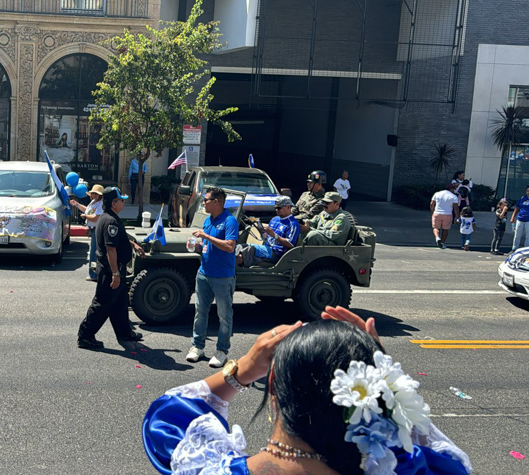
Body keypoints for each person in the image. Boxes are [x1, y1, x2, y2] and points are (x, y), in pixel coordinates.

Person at [142, 306, 473, 475]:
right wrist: (384, 377)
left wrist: (241, 370)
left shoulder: (206, 468)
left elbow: (167, 418)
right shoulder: (410, 469)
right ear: (375, 404)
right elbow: (449, 462)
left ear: (273, 385)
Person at [77, 187, 145, 349]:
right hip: (109, 270)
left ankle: (124, 332)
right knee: (102, 303)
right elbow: (110, 249)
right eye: (121, 200)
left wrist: (132, 244)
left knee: (120, 301)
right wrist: (115, 273)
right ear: (114, 203)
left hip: (114, 268)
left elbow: (116, 241)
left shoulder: (108, 217)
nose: (124, 202)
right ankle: (85, 336)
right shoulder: (111, 221)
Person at [186, 187, 239, 368]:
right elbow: (207, 244)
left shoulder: (230, 221)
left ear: (216, 202)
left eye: (206, 200)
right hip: (204, 273)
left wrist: (206, 236)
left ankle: (221, 350)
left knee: (224, 315)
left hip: (223, 276)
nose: (203, 203)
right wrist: (197, 245)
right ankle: (197, 346)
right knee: (200, 312)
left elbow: (229, 246)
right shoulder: (209, 220)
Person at [235, 196, 300, 267]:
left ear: (288, 207)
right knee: (240, 246)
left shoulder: (293, 224)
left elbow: (290, 244)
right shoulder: (275, 219)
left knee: (249, 250)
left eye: (279, 208)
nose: (276, 210)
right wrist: (262, 231)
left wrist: (274, 235)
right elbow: (267, 236)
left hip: (276, 253)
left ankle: (230, 270)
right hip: (266, 247)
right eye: (275, 208)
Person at [70, 184, 104, 281]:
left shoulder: (100, 204)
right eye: (93, 193)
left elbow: (95, 217)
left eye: (96, 194)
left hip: (96, 229)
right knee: (93, 252)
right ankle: (94, 273)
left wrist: (85, 217)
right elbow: (87, 210)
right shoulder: (93, 202)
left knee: (94, 253)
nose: (93, 195)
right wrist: (77, 204)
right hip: (92, 229)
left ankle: (94, 274)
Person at [430, 184, 459, 249]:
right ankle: (442, 243)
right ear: (451, 189)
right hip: (448, 214)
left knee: (436, 228)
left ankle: (437, 238)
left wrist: (433, 212)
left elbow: (432, 204)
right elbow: (456, 208)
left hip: (437, 213)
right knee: (445, 230)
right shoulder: (453, 196)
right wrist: (457, 217)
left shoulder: (437, 194)